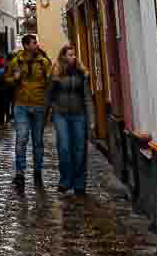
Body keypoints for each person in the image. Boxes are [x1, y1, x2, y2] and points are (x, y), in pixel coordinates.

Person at [47, 43, 93, 196]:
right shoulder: (56, 73)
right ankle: (66, 181)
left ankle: (79, 183)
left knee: (80, 149)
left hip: (78, 114)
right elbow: (49, 95)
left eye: (74, 55)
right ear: (63, 56)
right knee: (65, 148)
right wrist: (47, 112)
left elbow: (87, 97)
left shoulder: (81, 73)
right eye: (70, 55)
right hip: (61, 114)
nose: (73, 57)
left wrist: (91, 119)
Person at [6, 33, 52, 187]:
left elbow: (50, 83)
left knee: (38, 141)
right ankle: (20, 173)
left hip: (39, 106)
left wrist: (48, 104)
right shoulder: (15, 62)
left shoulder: (44, 62)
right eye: (33, 43)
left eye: (36, 43)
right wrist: (15, 78)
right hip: (21, 105)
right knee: (22, 138)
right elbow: (7, 81)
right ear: (26, 45)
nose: (36, 45)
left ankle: (37, 171)